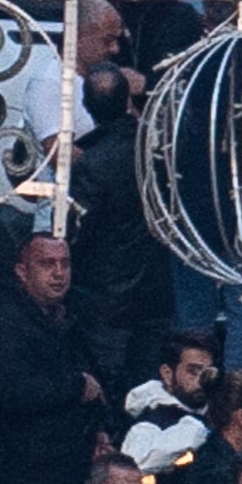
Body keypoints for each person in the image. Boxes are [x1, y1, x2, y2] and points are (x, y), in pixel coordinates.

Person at [0, 235, 108, 484]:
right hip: (32, 473)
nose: (58, 272)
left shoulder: (69, 318)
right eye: (47, 264)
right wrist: (76, 386)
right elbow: (11, 391)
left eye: (64, 264)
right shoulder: (6, 323)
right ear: (22, 271)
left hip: (68, 469)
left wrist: (100, 430)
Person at [68, 67, 175, 396]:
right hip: (154, 288)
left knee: (108, 387)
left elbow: (79, 230)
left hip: (105, 296)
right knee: (144, 387)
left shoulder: (92, 163)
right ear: (127, 100)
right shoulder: (155, 150)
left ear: (86, 106)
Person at [121, 332, 221, 484]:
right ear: (167, 373)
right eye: (193, 371)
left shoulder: (213, 419)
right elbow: (135, 467)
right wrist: (190, 433)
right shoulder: (149, 424)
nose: (202, 382)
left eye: (208, 374)